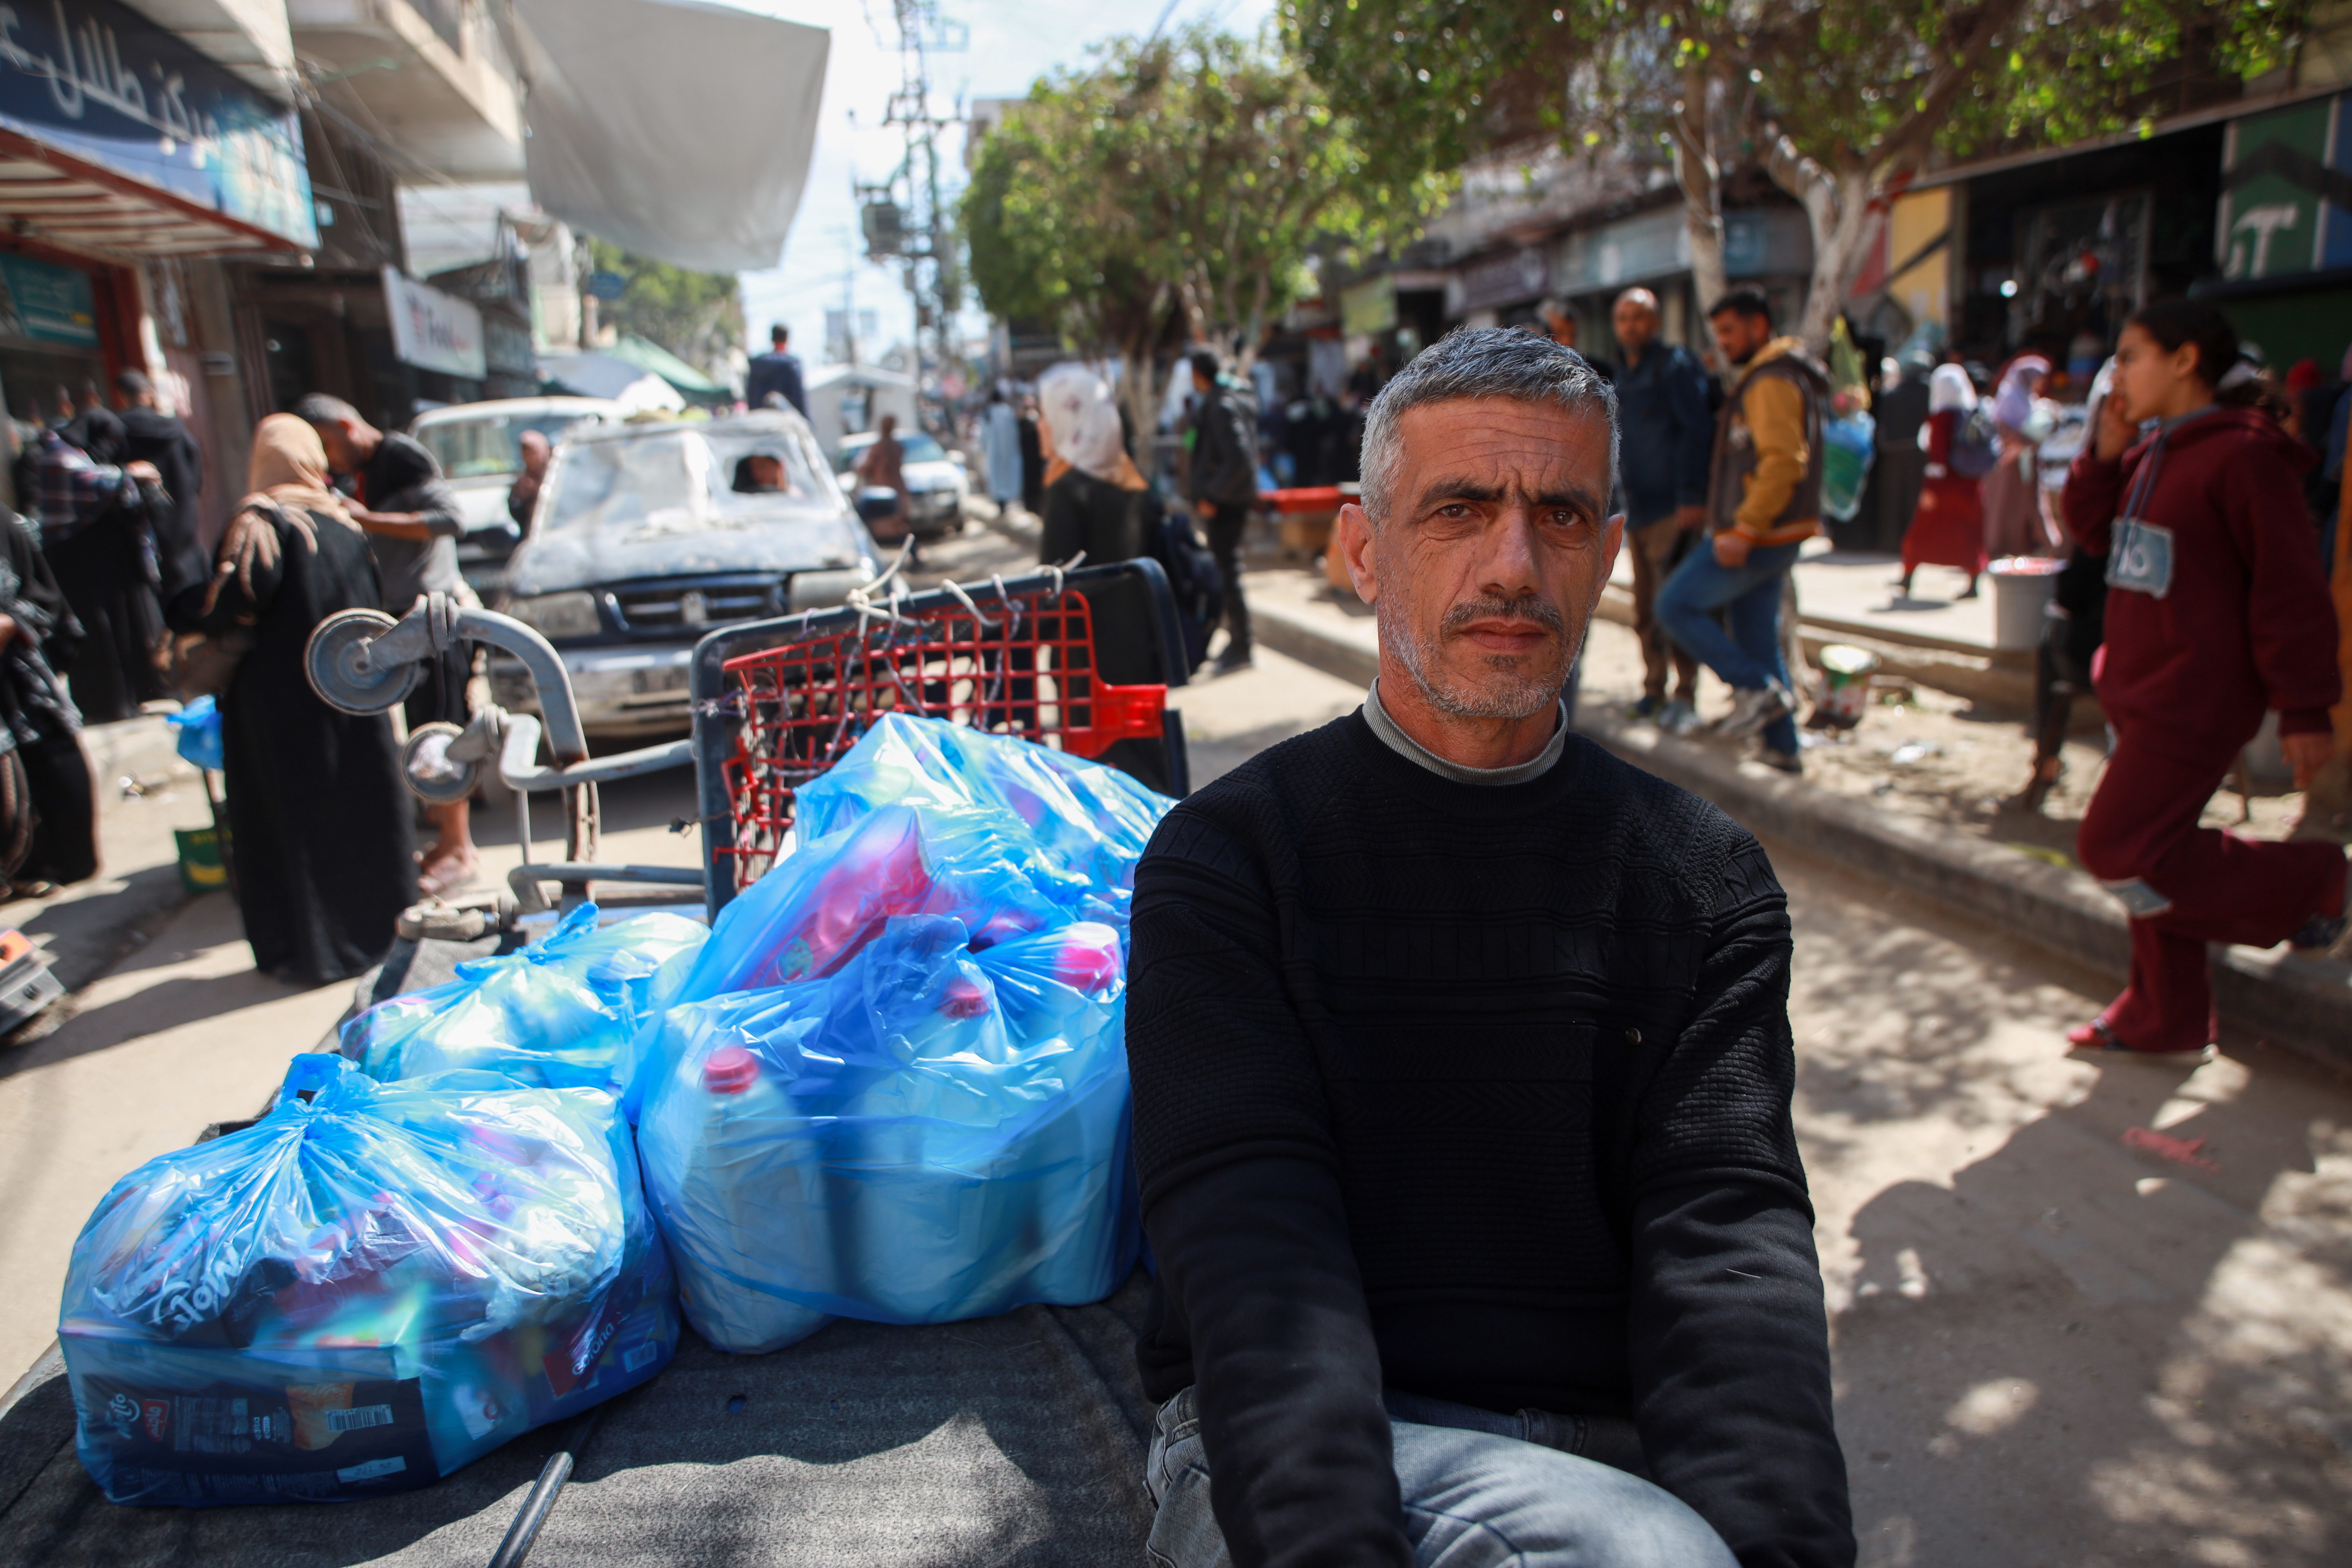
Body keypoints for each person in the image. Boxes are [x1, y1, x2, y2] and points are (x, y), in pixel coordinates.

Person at [1126, 326, 1851, 1568]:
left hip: (1613, 1457)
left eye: (1559, 517)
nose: (1511, 564)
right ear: (1362, 548)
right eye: (1457, 510)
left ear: (1607, 559)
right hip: (1293, 1455)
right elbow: (1253, 1244)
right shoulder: (1228, 859)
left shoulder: (1702, 879)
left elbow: (1725, 1243)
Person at [2060, 300, 2347, 1054]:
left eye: (2130, 355)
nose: (2116, 373)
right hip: (2140, 685)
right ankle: (2168, 1014)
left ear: (2185, 360)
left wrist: (2306, 705)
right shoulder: (2154, 449)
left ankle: (2317, 876)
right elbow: (2093, 535)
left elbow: (2290, 588)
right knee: (2156, 848)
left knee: (2118, 848)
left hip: (2196, 696)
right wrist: (2104, 450)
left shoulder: (2245, 454)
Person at [192, 415, 416, 982]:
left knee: (296, 820)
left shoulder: (263, 521)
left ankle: (312, 951)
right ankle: (380, 935)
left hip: (280, 705)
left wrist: (188, 612)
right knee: (359, 807)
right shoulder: (340, 520)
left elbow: (237, 602)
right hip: (353, 693)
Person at [294, 394, 477, 897]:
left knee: (442, 734)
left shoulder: (403, 459)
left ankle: (460, 848)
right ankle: (447, 842)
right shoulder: (370, 472)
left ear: (348, 426)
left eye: (329, 445)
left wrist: (365, 519)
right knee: (423, 733)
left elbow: (449, 520)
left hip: (435, 620)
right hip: (403, 623)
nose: (330, 460)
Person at [1654, 288, 1829, 774]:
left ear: (1758, 326)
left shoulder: (1770, 381)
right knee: (1757, 637)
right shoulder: (1771, 376)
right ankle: (1783, 747)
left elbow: (1782, 463)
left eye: (1730, 331)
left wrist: (1745, 529)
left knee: (1675, 605)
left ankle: (1754, 690)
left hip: (1759, 537)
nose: (1724, 342)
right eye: (1719, 334)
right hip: (1770, 536)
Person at [1609, 286, 1711, 729]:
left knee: (1675, 606)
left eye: (1640, 317)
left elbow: (1697, 431)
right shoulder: (1623, 376)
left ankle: (1685, 694)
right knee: (1646, 610)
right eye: (1624, 318)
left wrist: (1692, 497)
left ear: (1655, 322)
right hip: (1640, 511)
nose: (1632, 325)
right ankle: (1653, 689)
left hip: (1674, 511)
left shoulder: (1675, 367)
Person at [26, 425, 169, 724]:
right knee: (93, 638)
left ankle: (128, 699)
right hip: (72, 567)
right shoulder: (57, 456)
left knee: (117, 633)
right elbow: (91, 482)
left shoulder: (79, 456)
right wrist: (127, 473)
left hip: (101, 569)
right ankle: (102, 705)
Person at [0, 505, 97, 895]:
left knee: (59, 776)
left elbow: (45, 597)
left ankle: (44, 865)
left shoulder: (6, 525)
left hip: (23, 681)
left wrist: (11, 623)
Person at [1184, 351, 1261, 674]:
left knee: (1228, 571)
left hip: (1226, 504)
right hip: (1229, 500)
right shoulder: (1226, 400)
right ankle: (1237, 641)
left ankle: (1242, 645)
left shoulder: (1222, 405)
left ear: (1200, 374)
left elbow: (1239, 459)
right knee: (1226, 569)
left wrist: (1214, 495)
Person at [1037, 364, 1153, 567]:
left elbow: (1056, 590)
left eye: (1046, 415)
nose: (1040, 425)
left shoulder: (1067, 492)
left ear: (1069, 419)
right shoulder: (1133, 481)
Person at [113, 370, 209, 614]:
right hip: (182, 522)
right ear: (149, 394)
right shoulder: (177, 431)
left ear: (121, 396)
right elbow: (196, 474)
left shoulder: (116, 432)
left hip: (142, 533)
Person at [1897, 365, 1990, 600]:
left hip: (1944, 488)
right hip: (1970, 486)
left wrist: (1930, 489)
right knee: (1969, 534)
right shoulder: (1973, 414)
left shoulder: (1942, 418)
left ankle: (1908, 576)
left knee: (1922, 532)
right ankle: (1973, 580)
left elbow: (1937, 458)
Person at [1982, 354, 2054, 560]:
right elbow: (2002, 430)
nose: (2041, 383)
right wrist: (2025, 440)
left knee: (2026, 505)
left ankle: (2027, 547)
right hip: (2008, 464)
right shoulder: (2009, 397)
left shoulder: (2027, 397)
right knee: (2005, 506)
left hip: (2024, 463)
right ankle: (1999, 547)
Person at [745, 323, 809, 420]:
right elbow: (799, 398)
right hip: (786, 425)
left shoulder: (757, 366)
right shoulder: (791, 365)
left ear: (772, 339)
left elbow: (751, 397)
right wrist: (808, 422)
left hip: (760, 423)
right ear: (787, 339)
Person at [980, 386, 1025, 515]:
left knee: (1000, 477)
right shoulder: (1006, 412)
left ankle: (1003, 503)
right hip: (1006, 451)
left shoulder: (990, 413)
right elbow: (1015, 433)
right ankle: (1003, 503)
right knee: (1005, 476)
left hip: (996, 451)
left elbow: (983, 435)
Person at [507, 428, 551, 527]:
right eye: (526, 453)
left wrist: (539, 491)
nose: (530, 458)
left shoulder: (554, 476)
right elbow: (516, 512)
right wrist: (523, 498)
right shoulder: (522, 482)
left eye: (533, 453)